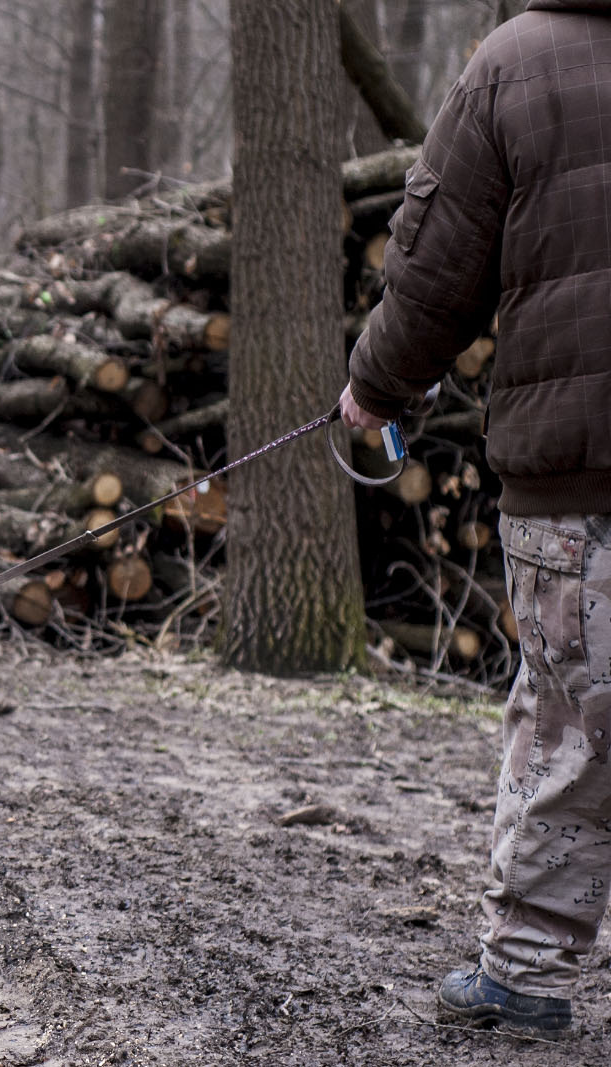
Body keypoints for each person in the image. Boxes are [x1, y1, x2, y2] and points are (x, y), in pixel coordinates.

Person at [340, 0, 611, 1038]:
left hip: (566, 470)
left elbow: (435, 261)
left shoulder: (510, 63)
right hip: (564, 465)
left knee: (565, 722)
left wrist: (375, 386)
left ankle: (523, 971)